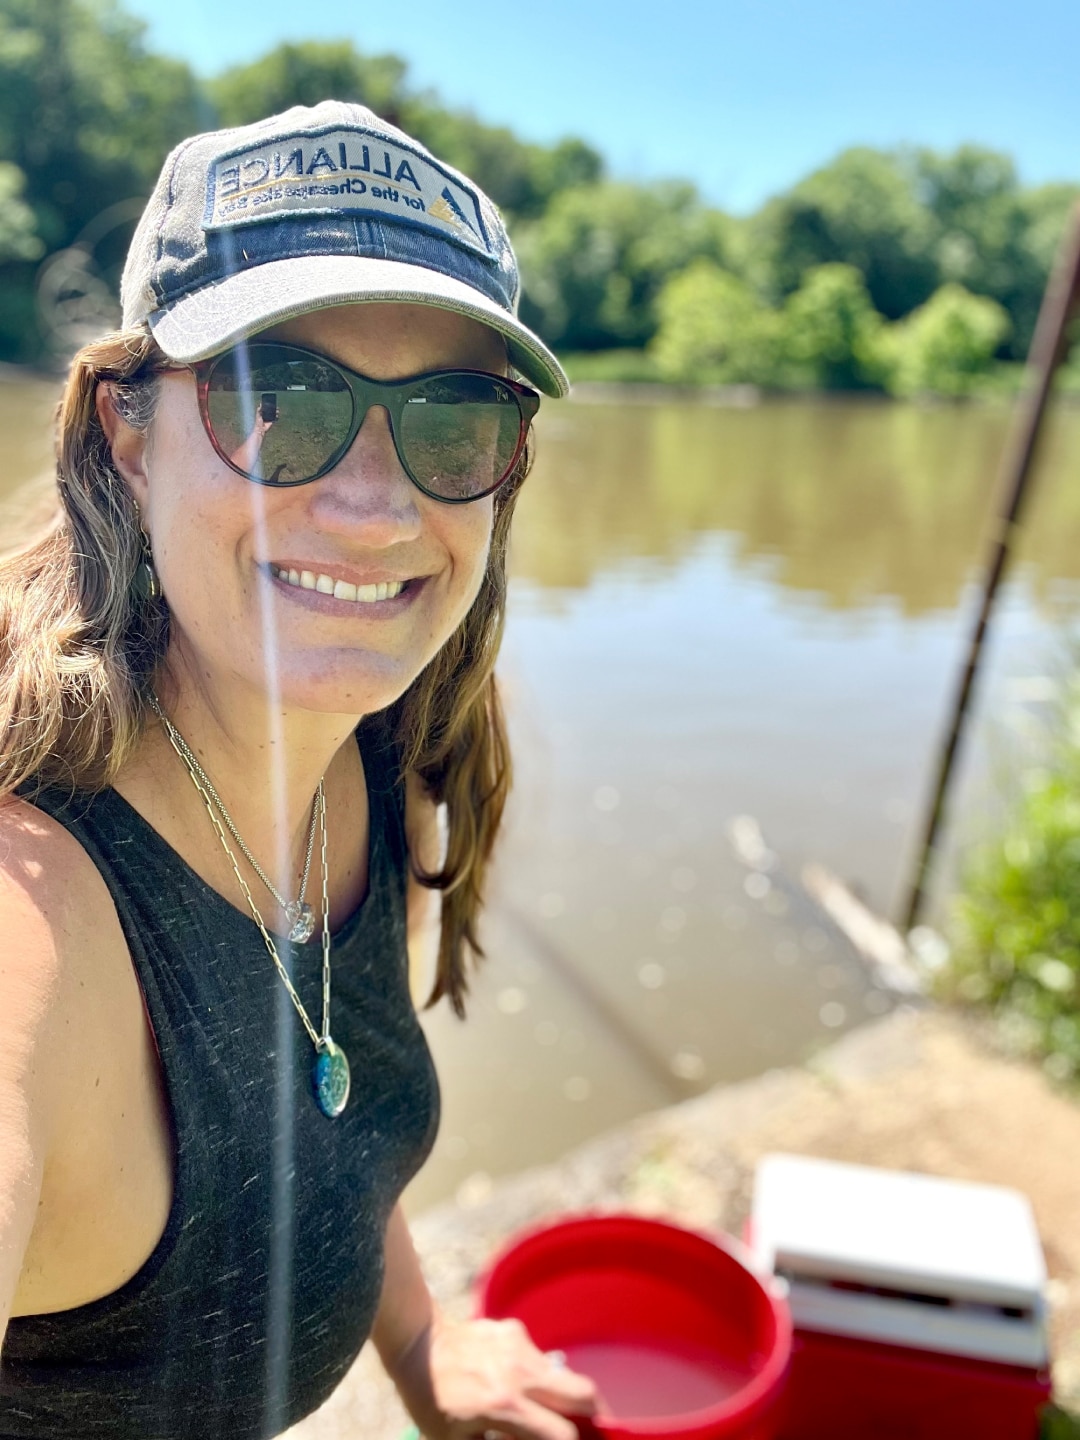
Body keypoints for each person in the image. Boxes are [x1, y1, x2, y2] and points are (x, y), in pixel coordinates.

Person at [0, 100, 598, 1440]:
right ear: (128, 432)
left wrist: (425, 1343)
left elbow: (327, 1145)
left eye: (454, 420)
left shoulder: (378, 749)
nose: (380, 504)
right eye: (280, 398)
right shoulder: (28, 903)